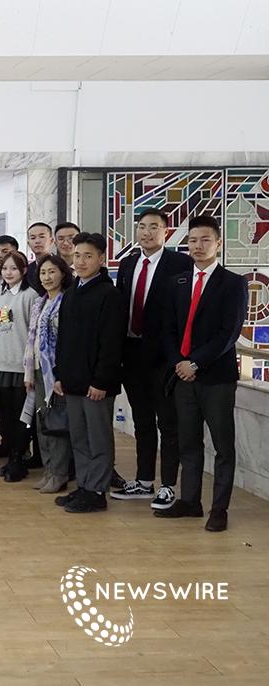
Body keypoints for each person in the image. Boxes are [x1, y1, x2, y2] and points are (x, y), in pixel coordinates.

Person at [156, 216, 246, 532]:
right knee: (188, 442)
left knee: (222, 446)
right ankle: (190, 501)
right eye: (192, 240)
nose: (197, 245)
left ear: (218, 243)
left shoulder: (233, 283)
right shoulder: (177, 282)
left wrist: (195, 363)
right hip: (182, 377)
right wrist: (178, 363)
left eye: (205, 239)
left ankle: (219, 509)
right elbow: (167, 329)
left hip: (216, 378)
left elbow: (228, 333)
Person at [111, 208, 193, 507]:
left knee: (168, 423)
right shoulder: (128, 263)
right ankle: (144, 481)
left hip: (164, 356)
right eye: (142, 226)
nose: (146, 232)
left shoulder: (180, 264)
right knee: (142, 420)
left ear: (166, 232)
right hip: (132, 353)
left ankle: (168, 485)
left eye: (153, 227)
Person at [52, 233, 126, 514]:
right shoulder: (72, 291)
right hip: (72, 381)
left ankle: (97, 491)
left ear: (101, 259)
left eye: (88, 256)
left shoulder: (109, 294)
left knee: (98, 438)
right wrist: (59, 374)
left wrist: (101, 380)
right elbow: (62, 339)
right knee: (79, 437)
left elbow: (112, 343)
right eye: (77, 256)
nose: (81, 262)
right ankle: (84, 485)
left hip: (96, 384)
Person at [24, 255, 74, 494]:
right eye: (43, 273)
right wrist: (28, 373)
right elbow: (31, 339)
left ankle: (60, 473)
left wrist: (59, 374)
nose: (47, 277)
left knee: (57, 425)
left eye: (52, 272)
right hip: (37, 370)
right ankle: (49, 470)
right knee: (42, 424)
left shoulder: (67, 302)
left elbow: (67, 342)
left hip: (54, 374)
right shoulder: (39, 303)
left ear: (63, 274)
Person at [0, 251, 39, 481]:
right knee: (5, 415)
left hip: (21, 367)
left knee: (23, 417)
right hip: (1, 364)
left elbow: (33, 334)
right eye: (5, 269)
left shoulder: (30, 296)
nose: (8, 273)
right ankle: (11, 454)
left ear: (24, 271)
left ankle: (19, 458)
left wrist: (30, 367)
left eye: (14, 268)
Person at [26, 222, 55, 289]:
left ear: (51, 241)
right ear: (28, 243)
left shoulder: (61, 265)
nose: (37, 241)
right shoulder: (27, 270)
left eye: (42, 237)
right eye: (33, 238)